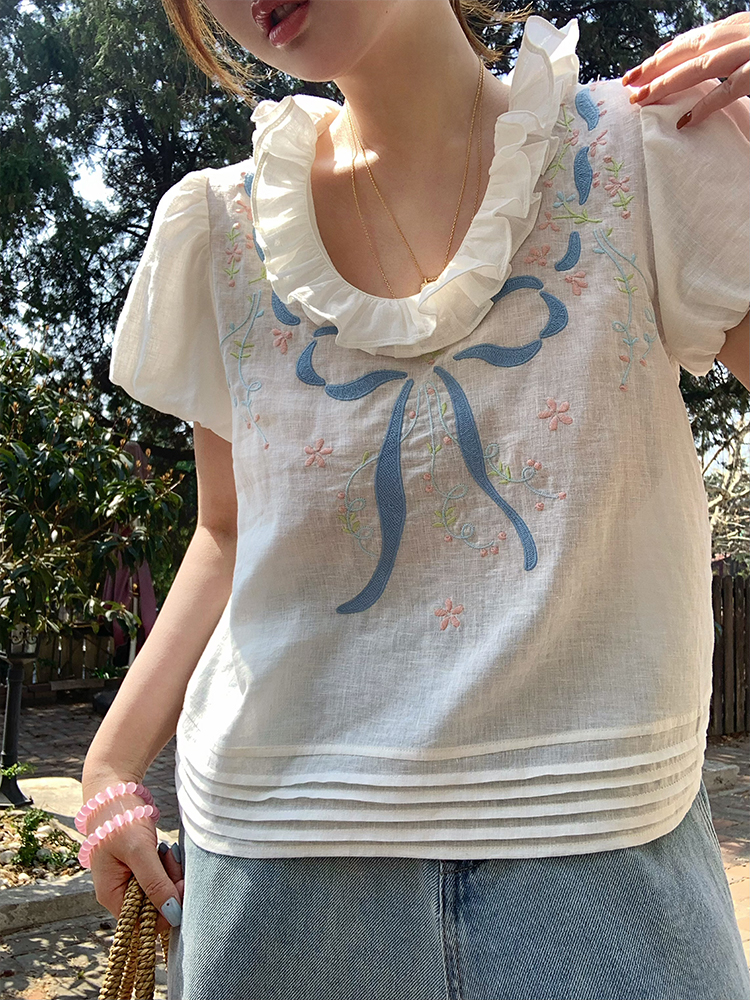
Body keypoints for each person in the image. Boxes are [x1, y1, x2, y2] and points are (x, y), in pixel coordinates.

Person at [80, 2, 750, 997]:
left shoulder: (646, 152)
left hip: (604, 842)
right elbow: (226, 531)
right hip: (276, 874)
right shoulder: (219, 230)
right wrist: (107, 769)